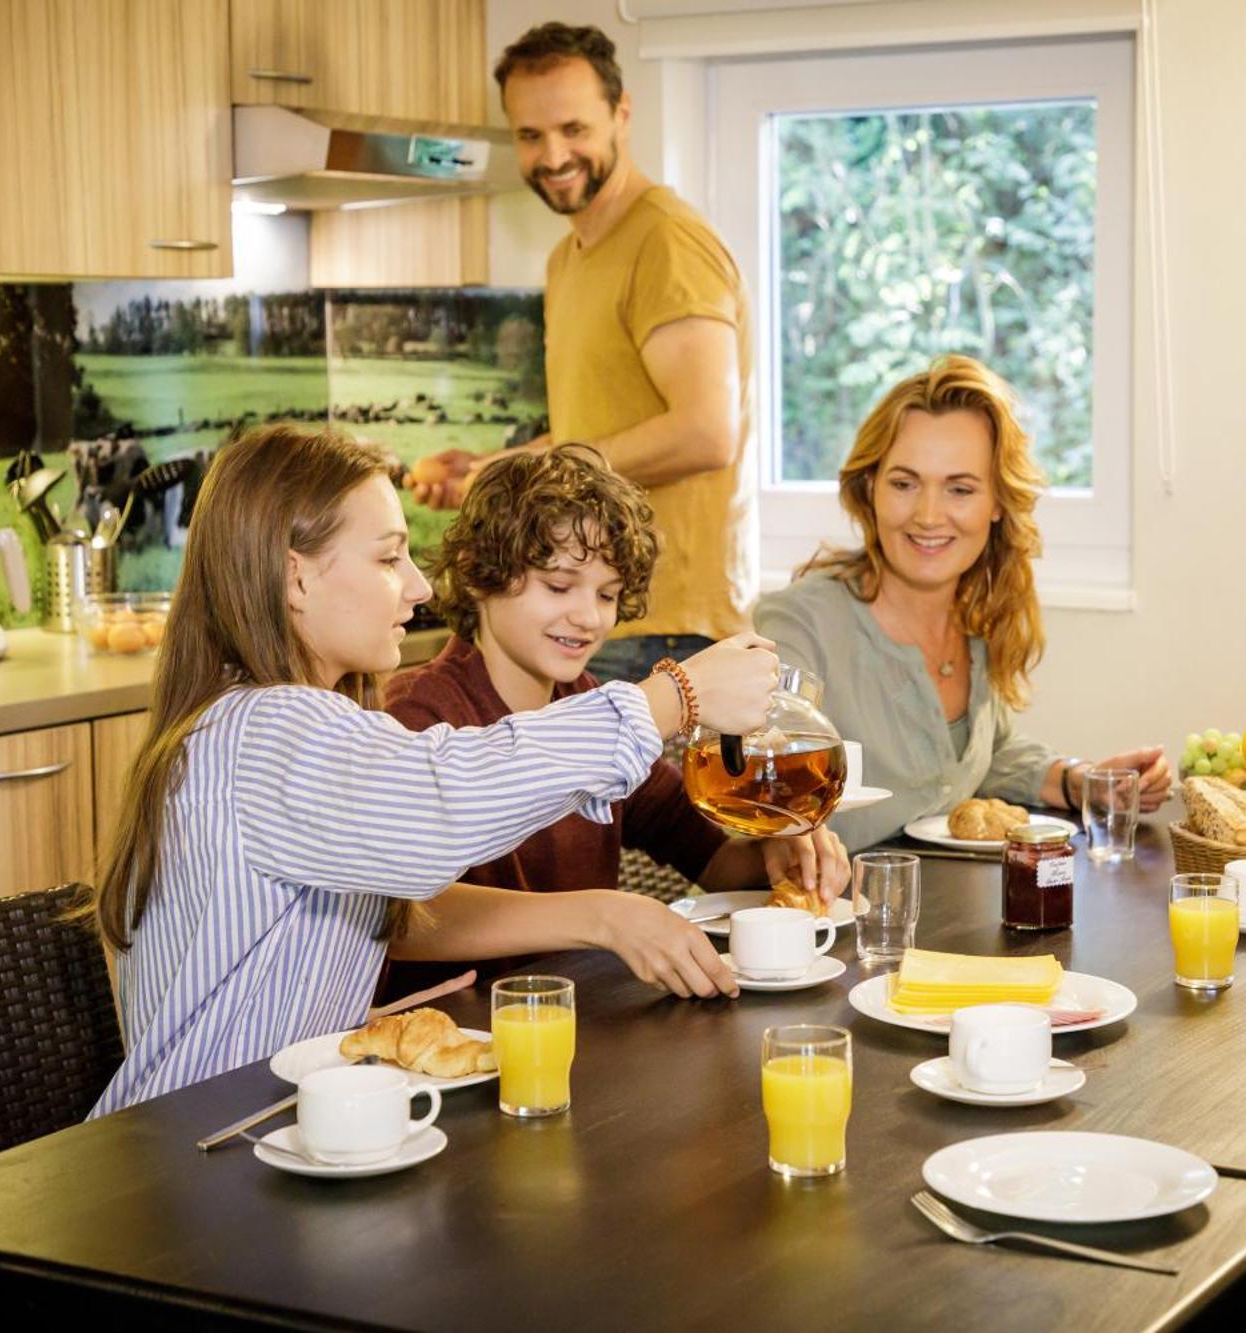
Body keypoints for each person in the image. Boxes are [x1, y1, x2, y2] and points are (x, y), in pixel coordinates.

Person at [85, 425, 781, 1117]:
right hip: (191, 1156)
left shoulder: (293, 724)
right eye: (389, 559)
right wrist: (675, 697)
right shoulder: (261, 733)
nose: (418, 586)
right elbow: (442, 798)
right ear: (296, 576)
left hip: (285, 1128)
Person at [381, 444, 848, 1001]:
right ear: (479, 574)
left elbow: (710, 858)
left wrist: (773, 850)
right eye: (558, 587)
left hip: (575, 1020)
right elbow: (401, 917)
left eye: (607, 594)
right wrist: (600, 917)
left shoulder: (593, 703)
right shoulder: (418, 713)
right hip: (456, 1029)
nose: (588, 618)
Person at [408, 22, 755, 684]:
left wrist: (536, 462)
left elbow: (708, 433)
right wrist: (491, 468)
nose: (553, 155)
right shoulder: (569, 259)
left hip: (662, 625)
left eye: (574, 128)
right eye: (529, 136)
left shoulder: (666, 242)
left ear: (622, 113)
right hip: (601, 617)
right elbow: (598, 436)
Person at [753, 356, 1172, 850]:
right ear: (870, 490)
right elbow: (762, 794)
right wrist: (786, 834)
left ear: (997, 502)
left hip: (949, 914)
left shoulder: (978, 615)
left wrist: (1079, 780)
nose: (929, 515)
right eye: (905, 484)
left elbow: (974, 758)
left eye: (960, 489)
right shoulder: (799, 625)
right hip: (832, 918)